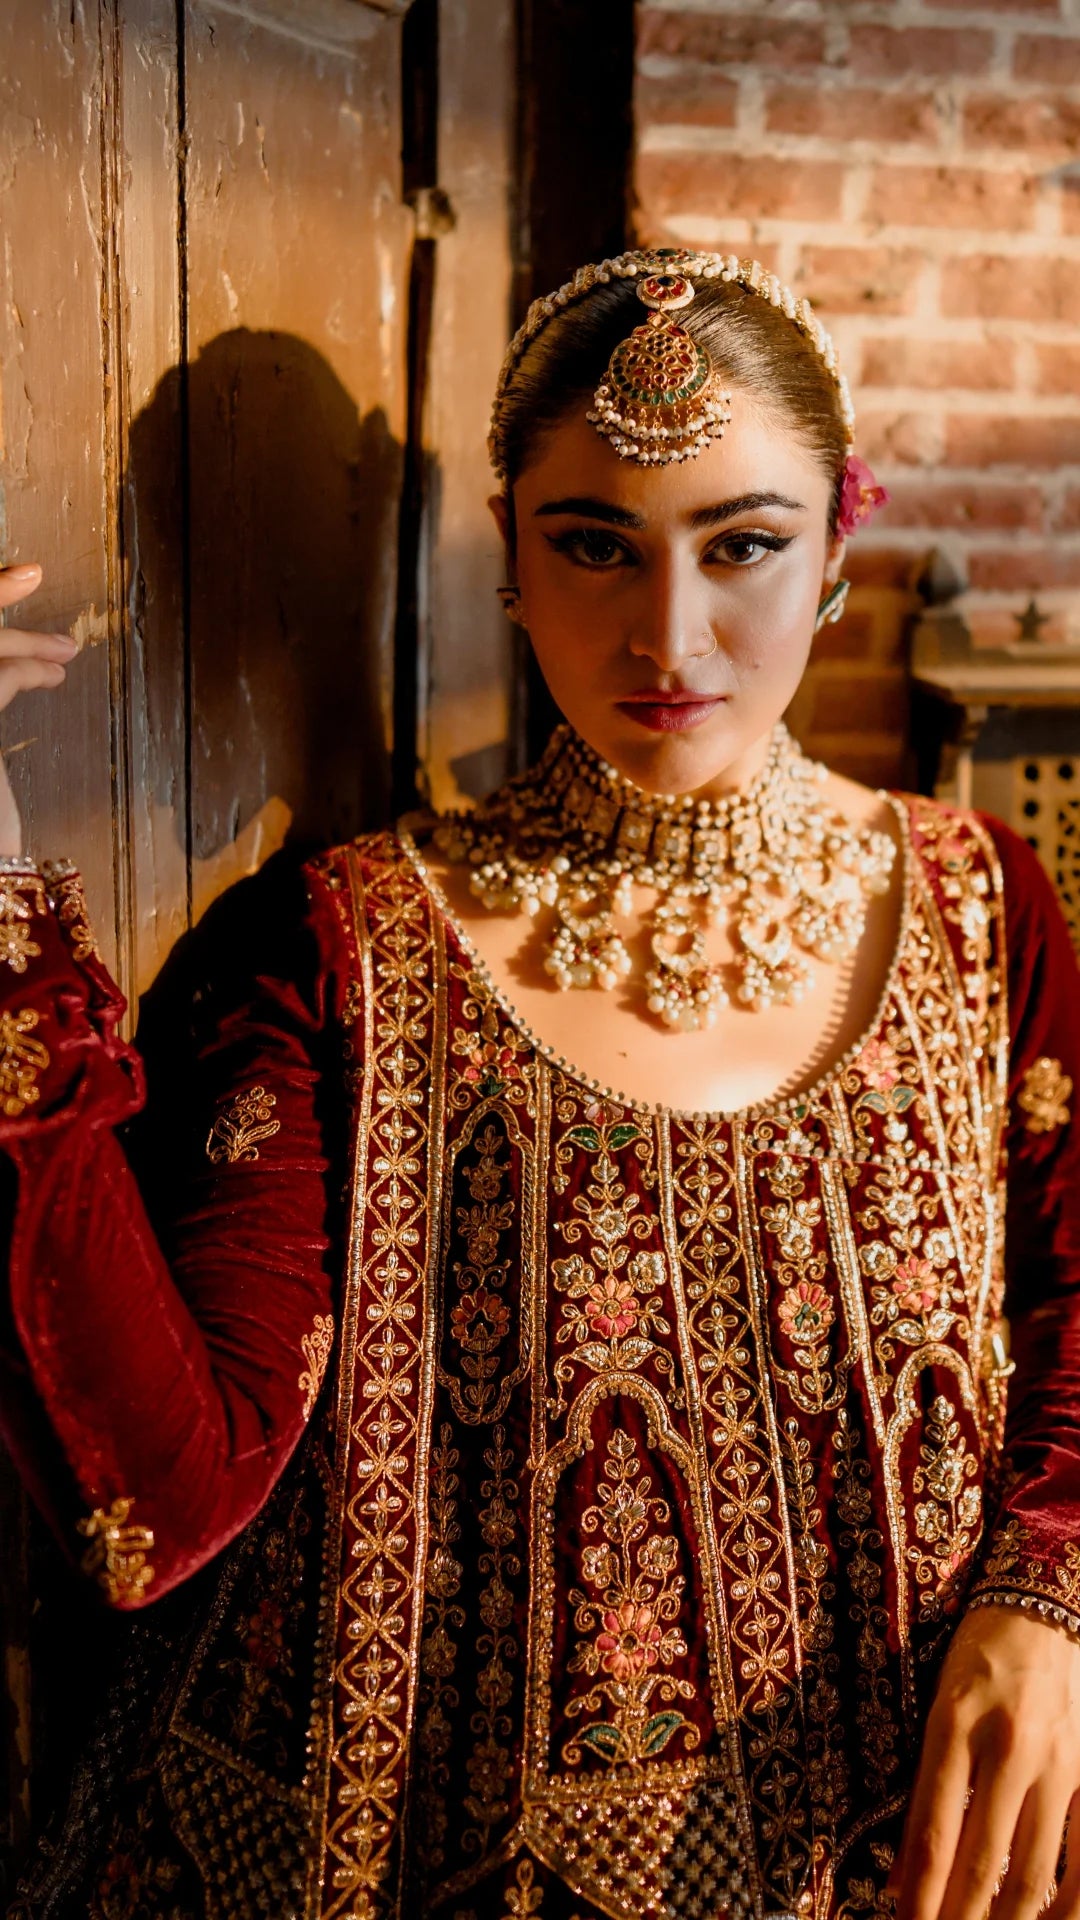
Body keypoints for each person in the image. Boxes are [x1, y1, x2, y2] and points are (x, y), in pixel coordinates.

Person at [1, 247, 1079, 1920]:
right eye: (596, 545)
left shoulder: (980, 906)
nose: (672, 634)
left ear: (838, 558)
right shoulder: (336, 947)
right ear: (507, 556)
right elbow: (163, 1496)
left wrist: (1054, 1599)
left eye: (745, 547)